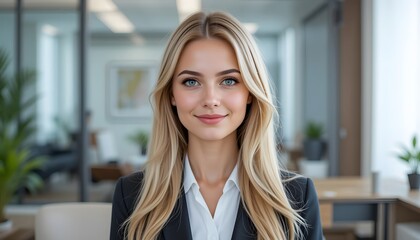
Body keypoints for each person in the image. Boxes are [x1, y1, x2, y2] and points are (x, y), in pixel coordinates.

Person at [110, 11, 323, 240]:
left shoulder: (298, 196)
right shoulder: (131, 195)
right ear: (171, 94)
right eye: (191, 81)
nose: (211, 99)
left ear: (249, 93)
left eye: (229, 81)